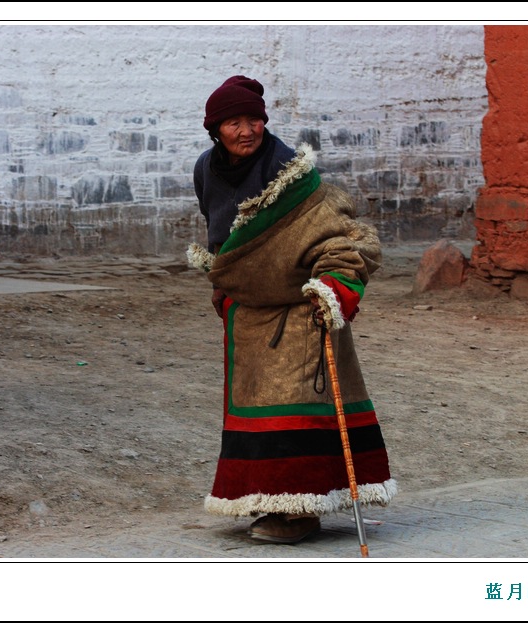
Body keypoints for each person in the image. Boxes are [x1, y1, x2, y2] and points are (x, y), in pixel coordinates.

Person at [188, 75, 398, 544]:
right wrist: (225, 282)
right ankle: (267, 500)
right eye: (234, 122)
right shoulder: (206, 169)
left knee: (295, 412)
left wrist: (332, 291)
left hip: (302, 312)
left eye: (255, 119)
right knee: (259, 415)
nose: (247, 130)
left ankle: (299, 513)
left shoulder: (291, 173)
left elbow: (336, 239)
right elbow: (222, 237)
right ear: (215, 130)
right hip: (250, 315)